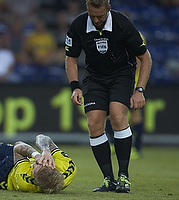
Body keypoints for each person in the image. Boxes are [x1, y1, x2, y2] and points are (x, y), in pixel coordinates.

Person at [64, 0, 152, 193]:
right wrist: (75, 87)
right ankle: (108, 179)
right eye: (92, 16)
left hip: (122, 75)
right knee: (94, 123)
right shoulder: (79, 25)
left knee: (118, 116)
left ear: (108, 9)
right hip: (95, 78)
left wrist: (140, 90)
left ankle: (124, 177)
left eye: (100, 16)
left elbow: (145, 58)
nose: (96, 20)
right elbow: (71, 58)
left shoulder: (122, 23)